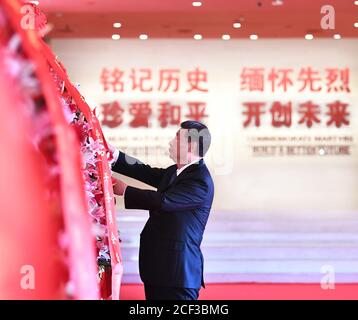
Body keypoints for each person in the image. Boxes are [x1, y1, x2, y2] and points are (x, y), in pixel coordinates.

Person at [110, 120, 214, 300]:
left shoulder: (200, 181)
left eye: (177, 138)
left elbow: (164, 201)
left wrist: (125, 190)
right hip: (159, 269)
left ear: (191, 145)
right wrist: (114, 155)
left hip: (178, 273)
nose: (171, 142)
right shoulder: (175, 172)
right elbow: (145, 172)